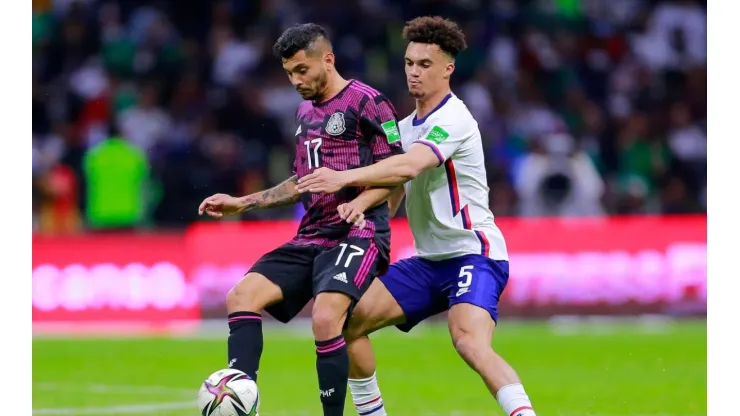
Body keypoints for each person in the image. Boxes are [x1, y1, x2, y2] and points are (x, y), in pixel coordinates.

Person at [296, 17, 537, 416]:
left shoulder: (455, 118)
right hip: (428, 262)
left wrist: (344, 176)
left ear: (448, 69)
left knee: (468, 340)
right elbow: (393, 188)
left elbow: (409, 167)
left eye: (425, 64)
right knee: (345, 321)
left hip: (474, 253)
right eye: (409, 63)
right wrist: (363, 214)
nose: (414, 71)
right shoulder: (404, 128)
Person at [198, 23, 403, 416]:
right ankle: (242, 404)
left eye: (302, 70)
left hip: (357, 236)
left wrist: (363, 206)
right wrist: (241, 203)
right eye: (289, 72)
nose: (295, 80)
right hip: (312, 235)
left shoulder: (368, 102)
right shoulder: (304, 111)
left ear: (328, 59)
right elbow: (301, 181)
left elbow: (398, 170)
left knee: (326, 318)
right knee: (240, 296)